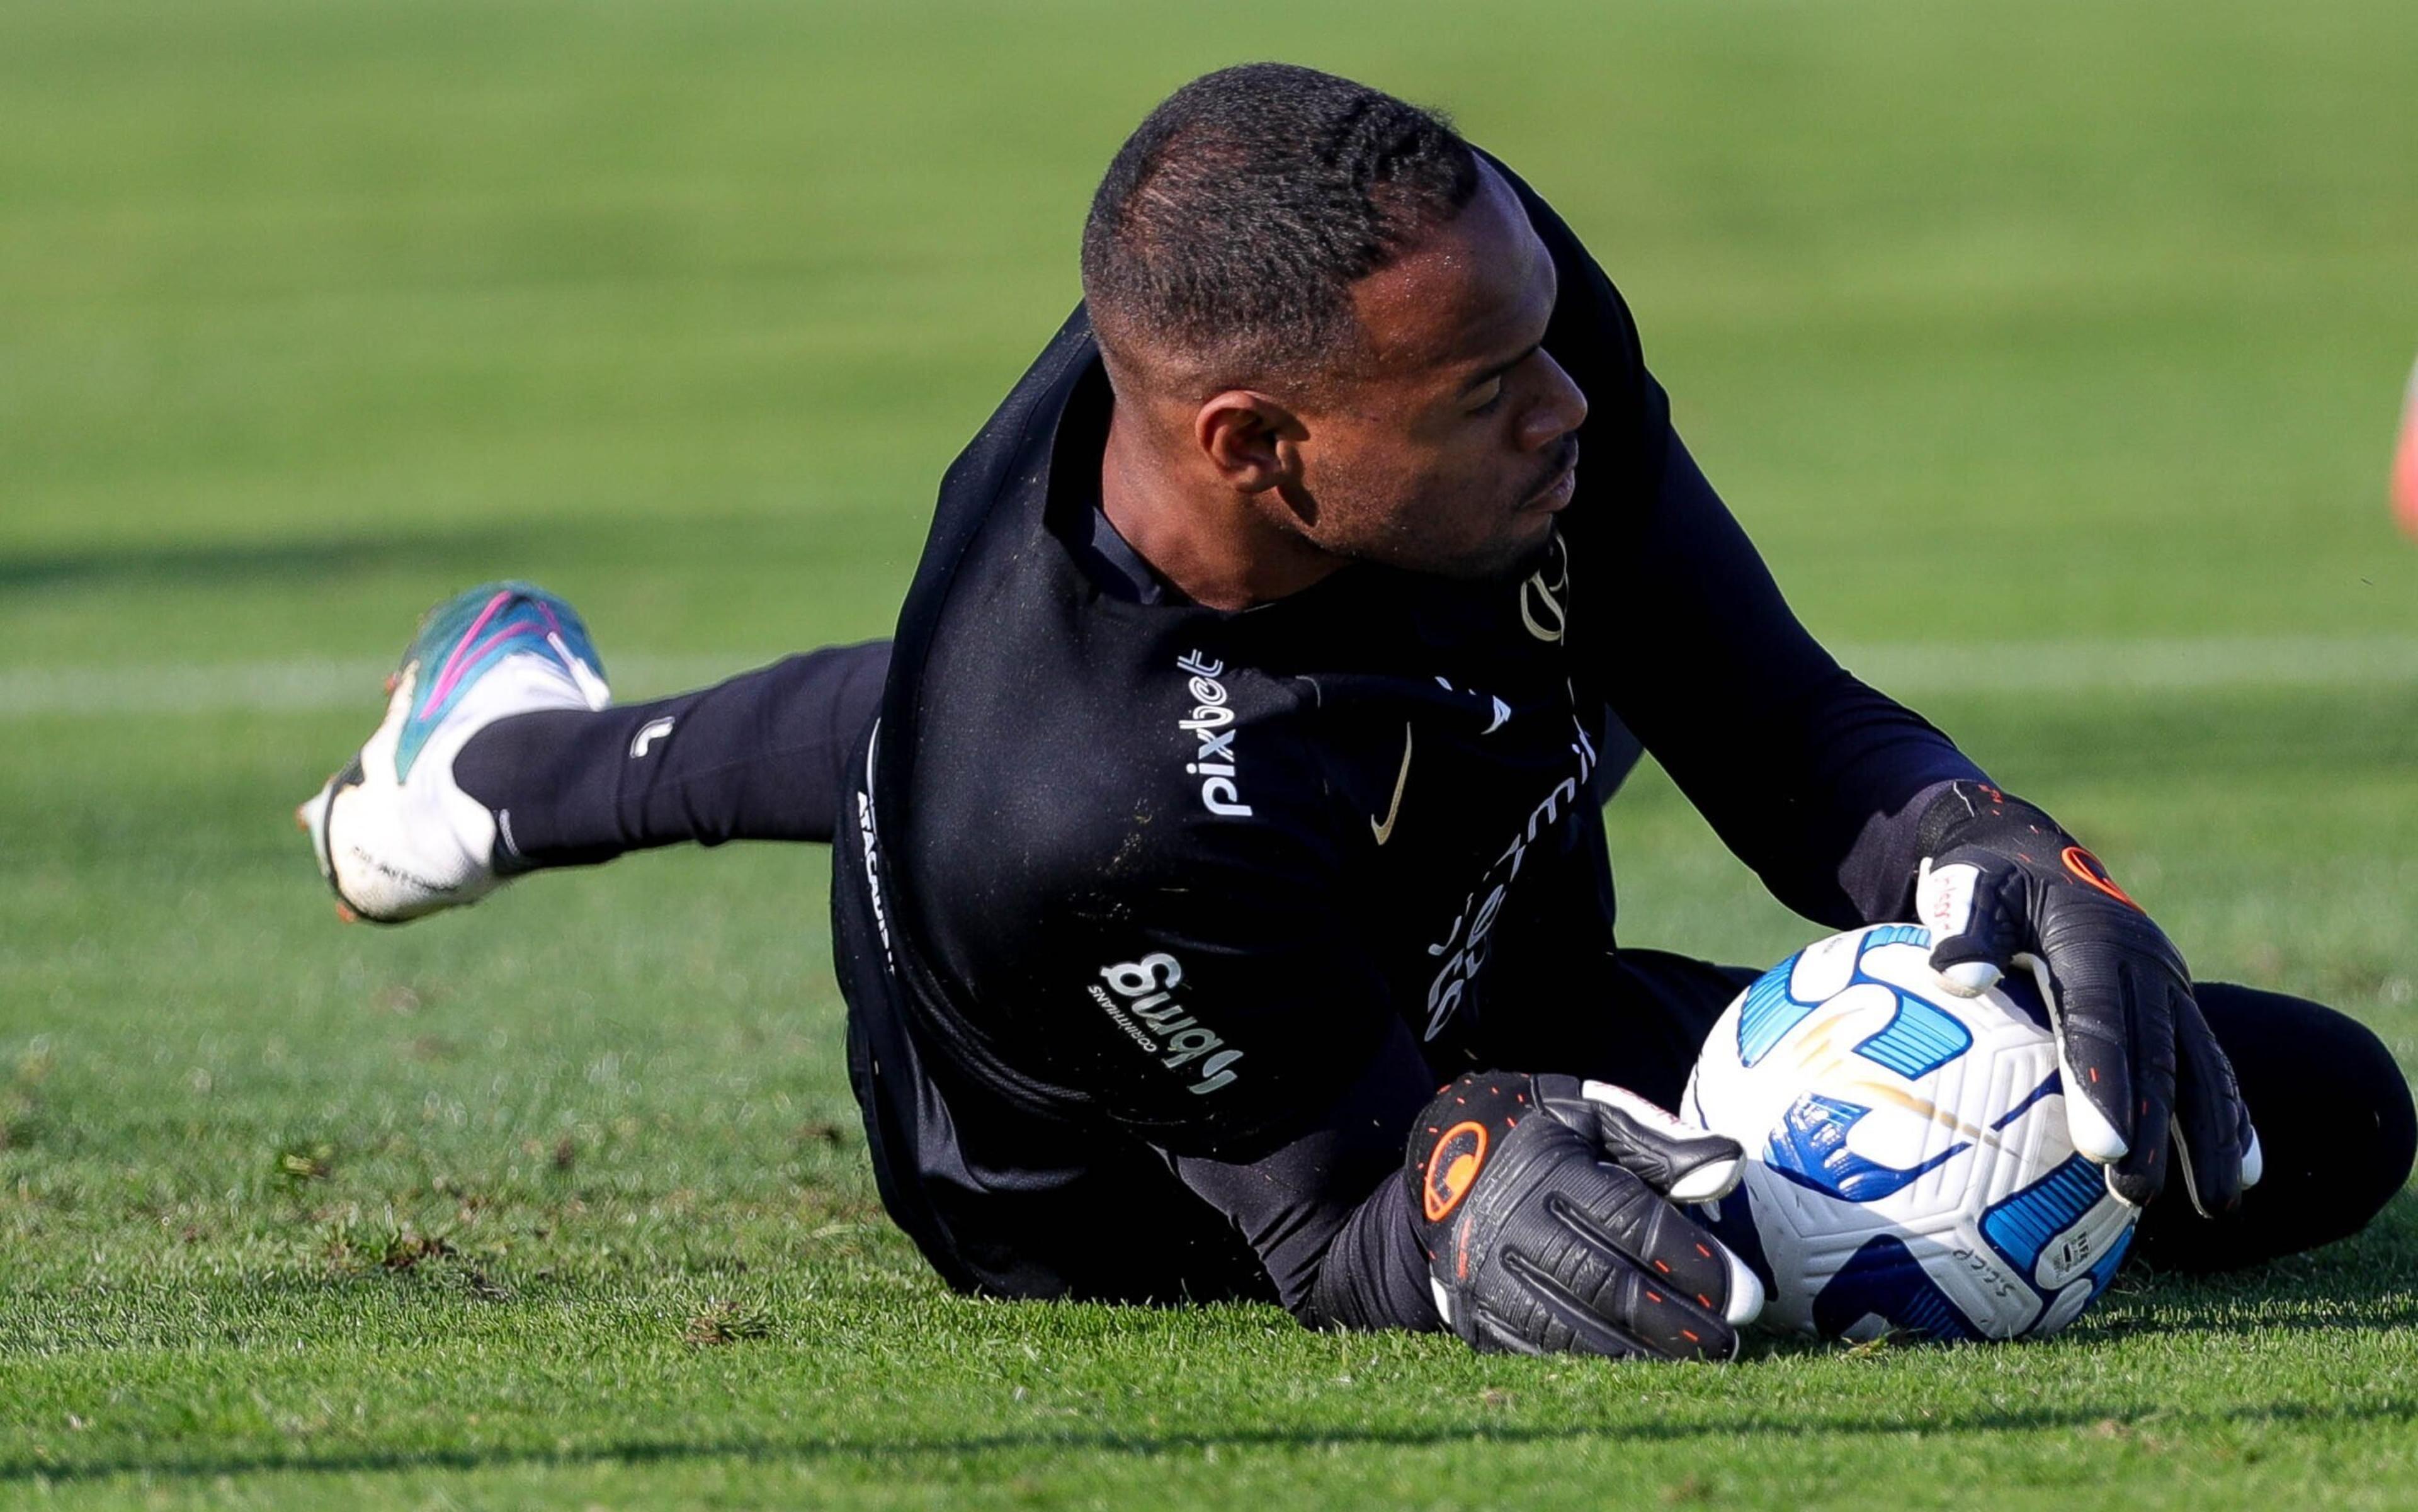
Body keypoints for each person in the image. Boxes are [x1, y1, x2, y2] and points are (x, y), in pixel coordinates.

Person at [300, 64, 2414, 1360]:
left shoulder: (1477, 305)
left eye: (1536, 331)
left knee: (2309, 1114)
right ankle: (511, 765)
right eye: (1492, 389)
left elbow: (1762, 710)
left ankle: (503, 761)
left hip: (1413, 871)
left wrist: (2000, 848)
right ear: (1262, 447)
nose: (1571, 396)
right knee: (1091, 776)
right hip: (1142, 1164)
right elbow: (1320, 1206)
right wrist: (1464, 1198)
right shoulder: (1076, 814)